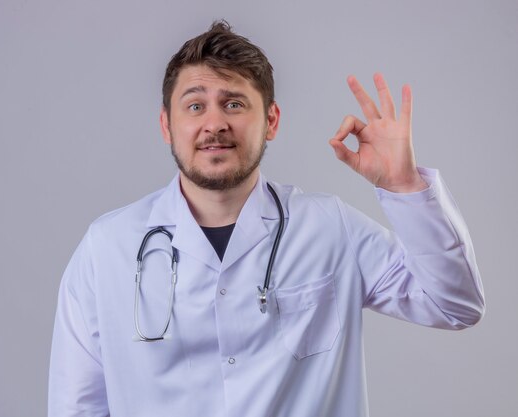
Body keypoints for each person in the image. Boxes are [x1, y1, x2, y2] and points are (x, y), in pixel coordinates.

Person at [48, 21, 484, 417]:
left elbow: (455, 305)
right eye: (195, 106)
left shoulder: (328, 227)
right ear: (167, 126)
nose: (214, 123)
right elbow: (77, 406)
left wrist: (404, 184)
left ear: (271, 121)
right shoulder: (107, 247)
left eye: (234, 104)